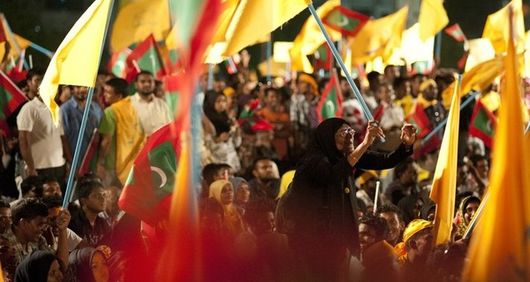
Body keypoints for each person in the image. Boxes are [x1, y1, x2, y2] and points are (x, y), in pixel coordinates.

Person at [284, 118, 416, 281]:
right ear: (327, 138)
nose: (350, 135)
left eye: (351, 131)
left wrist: (405, 145)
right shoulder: (312, 162)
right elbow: (333, 174)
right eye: (343, 132)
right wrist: (366, 143)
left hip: (338, 246)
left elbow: (384, 159)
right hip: (312, 246)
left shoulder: (345, 158)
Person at [0, 198, 70, 280]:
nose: (44, 229)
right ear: (23, 223)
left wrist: (62, 229)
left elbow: (60, 267)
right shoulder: (4, 247)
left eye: (45, 224)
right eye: (40, 224)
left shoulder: (39, 240)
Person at [17, 90, 71, 185]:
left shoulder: (56, 109)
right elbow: (23, 140)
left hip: (59, 167)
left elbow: (62, 137)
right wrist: (31, 168)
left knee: (59, 198)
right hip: (39, 168)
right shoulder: (29, 108)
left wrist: (68, 162)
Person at [97, 78, 145, 185]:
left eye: (108, 92)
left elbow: (106, 141)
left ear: (119, 95)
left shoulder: (110, 112)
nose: (104, 95)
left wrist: (100, 163)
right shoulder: (136, 108)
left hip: (112, 166)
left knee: (108, 196)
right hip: (131, 164)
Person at [60, 86, 103, 163]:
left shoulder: (96, 108)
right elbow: (63, 138)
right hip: (73, 161)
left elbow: (100, 134)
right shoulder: (65, 109)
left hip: (92, 161)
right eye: (78, 87)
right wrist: (70, 161)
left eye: (86, 87)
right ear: (72, 89)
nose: (82, 90)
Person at [202, 90, 241, 172]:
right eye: (218, 101)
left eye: (224, 101)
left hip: (231, 163)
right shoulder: (205, 121)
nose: (222, 104)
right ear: (211, 102)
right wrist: (218, 140)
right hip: (216, 164)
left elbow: (237, 143)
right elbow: (204, 145)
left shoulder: (227, 119)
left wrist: (237, 130)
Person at [68, 178, 111, 247]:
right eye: (97, 196)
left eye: (104, 195)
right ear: (83, 201)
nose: (102, 199)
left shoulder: (103, 223)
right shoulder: (73, 224)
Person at [131, 71, 171, 136]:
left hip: (161, 144)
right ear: (136, 84)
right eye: (143, 81)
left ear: (154, 84)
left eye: (150, 81)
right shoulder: (129, 104)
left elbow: (169, 127)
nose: (147, 84)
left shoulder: (162, 104)